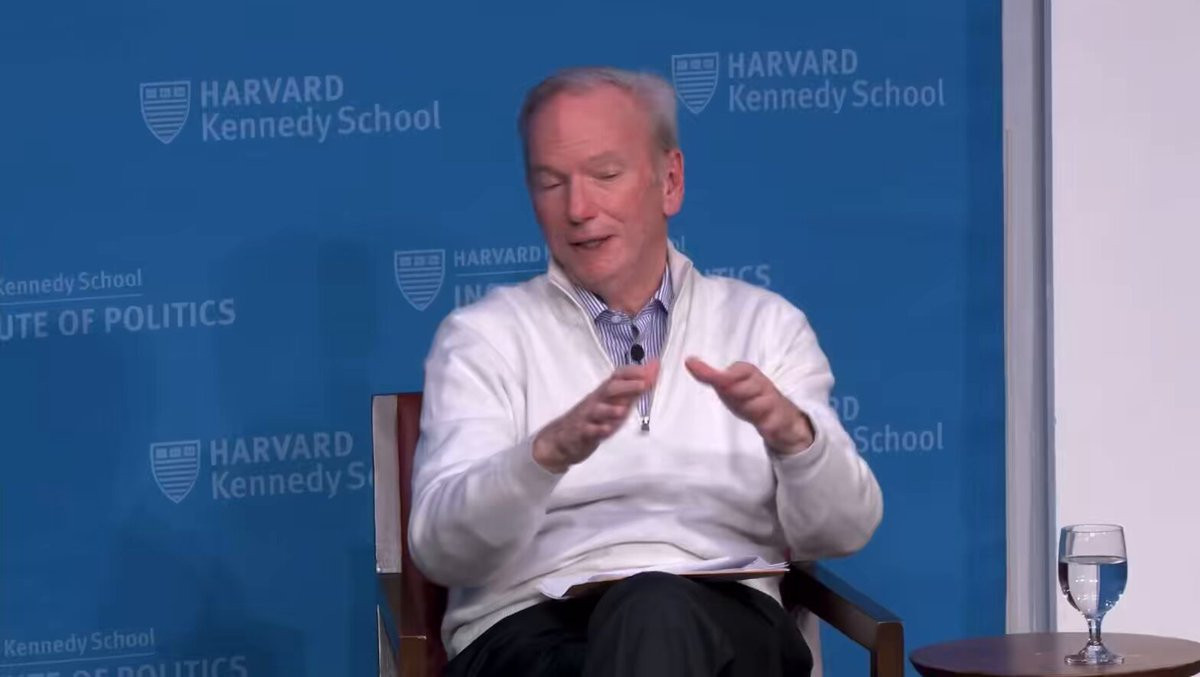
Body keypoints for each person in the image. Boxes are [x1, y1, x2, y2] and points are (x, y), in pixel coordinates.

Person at [408, 66, 883, 677]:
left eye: (605, 175)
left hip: (724, 623)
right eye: (551, 182)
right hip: (528, 631)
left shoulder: (764, 326)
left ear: (670, 181)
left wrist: (795, 440)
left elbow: (845, 531)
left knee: (655, 609)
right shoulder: (483, 339)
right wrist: (544, 455)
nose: (578, 209)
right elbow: (443, 552)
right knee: (648, 620)